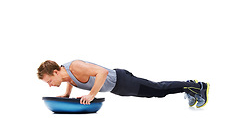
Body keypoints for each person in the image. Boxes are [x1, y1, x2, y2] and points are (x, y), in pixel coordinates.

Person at [37, 59, 210, 108]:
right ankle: (189, 86)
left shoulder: (75, 66)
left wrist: (91, 94)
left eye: (50, 81)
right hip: (118, 88)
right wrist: (67, 94)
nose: (50, 85)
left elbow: (102, 72)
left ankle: (196, 86)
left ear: (55, 72)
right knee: (156, 91)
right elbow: (71, 80)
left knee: (158, 90)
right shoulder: (66, 75)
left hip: (123, 81)